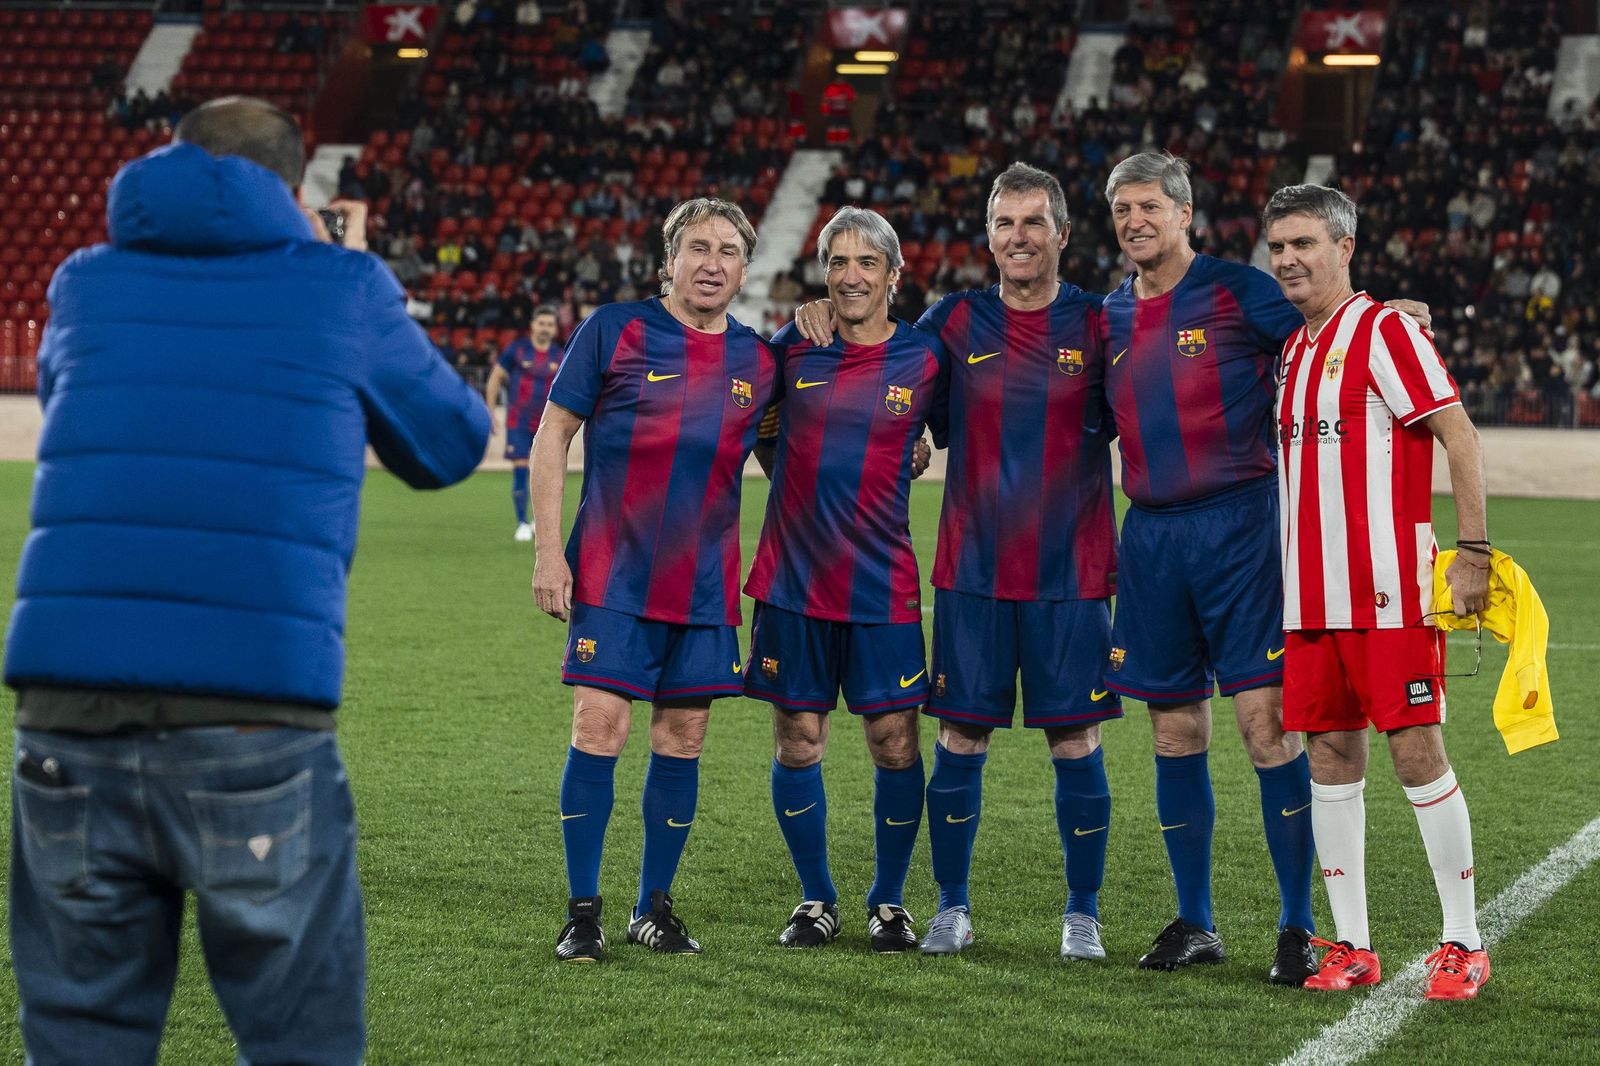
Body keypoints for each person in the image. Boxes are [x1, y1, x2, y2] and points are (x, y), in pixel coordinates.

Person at [4, 97, 489, 1065]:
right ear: (297, 191)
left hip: (67, 712)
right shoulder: (339, 283)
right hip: (253, 714)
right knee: (298, 1042)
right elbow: (451, 443)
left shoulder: (84, 281)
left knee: (80, 1043)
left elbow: (79, 406)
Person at [1099, 151, 1431, 980]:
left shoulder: (1237, 290)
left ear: (1184, 213)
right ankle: (1196, 921)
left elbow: (1332, 326)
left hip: (1242, 530)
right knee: (1174, 729)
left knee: (1266, 726)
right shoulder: (1105, 315)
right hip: (1150, 537)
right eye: (1122, 210)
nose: (1136, 221)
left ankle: (1297, 924)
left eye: (1150, 206)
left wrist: (1392, 315)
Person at [797, 163, 1121, 961]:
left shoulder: (1101, 323)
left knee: (1075, 743)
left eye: (1034, 223)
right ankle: (951, 906)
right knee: (959, 745)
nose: (1019, 237)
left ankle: (1082, 913)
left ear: (1063, 234)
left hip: (1071, 576)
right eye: (1005, 223)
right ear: (988, 235)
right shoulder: (952, 322)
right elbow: (878, 361)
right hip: (971, 574)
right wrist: (820, 318)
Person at [530, 197, 778, 963]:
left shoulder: (759, 363)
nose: (712, 263)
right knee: (600, 727)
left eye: (728, 251)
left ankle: (654, 907)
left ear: (744, 266)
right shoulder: (615, 329)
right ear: (667, 260)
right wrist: (548, 550)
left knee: (684, 737)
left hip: (705, 585)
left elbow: (792, 464)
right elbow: (552, 435)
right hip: (613, 571)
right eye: (697, 248)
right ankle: (582, 912)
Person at [1265, 184, 1492, 1001]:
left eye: (1305, 244)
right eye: (1279, 246)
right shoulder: (1293, 349)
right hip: (1310, 597)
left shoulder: (1387, 331)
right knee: (1329, 758)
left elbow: (1457, 432)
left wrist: (1473, 552)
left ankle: (1464, 941)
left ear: (1344, 246)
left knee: (1417, 751)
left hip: (1390, 590)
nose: (1290, 259)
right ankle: (1351, 943)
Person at [744, 207, 943, 953]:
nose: (851, 276)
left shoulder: (926, 360)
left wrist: (916, 447)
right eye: (837, 262)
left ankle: (889, 902)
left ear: (894, 275)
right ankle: (815, 899)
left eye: (867, 263)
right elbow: (756, 428)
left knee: (895, 741)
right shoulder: (791, 348)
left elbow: (940, 430)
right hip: (793, 582)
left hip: (881, 583)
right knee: (798, 740)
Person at [484, 306, 564, 540]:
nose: (545, 328)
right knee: (520, 469)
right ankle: (521, 523)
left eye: (550, 324)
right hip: (518, 420)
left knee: (547, 474)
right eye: (542, 323)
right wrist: (490, 411)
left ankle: (540, 522)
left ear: (554, 328)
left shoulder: (560, 355)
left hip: (548, 423)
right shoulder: (517, 349)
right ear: (533, 325)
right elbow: (496, 377)